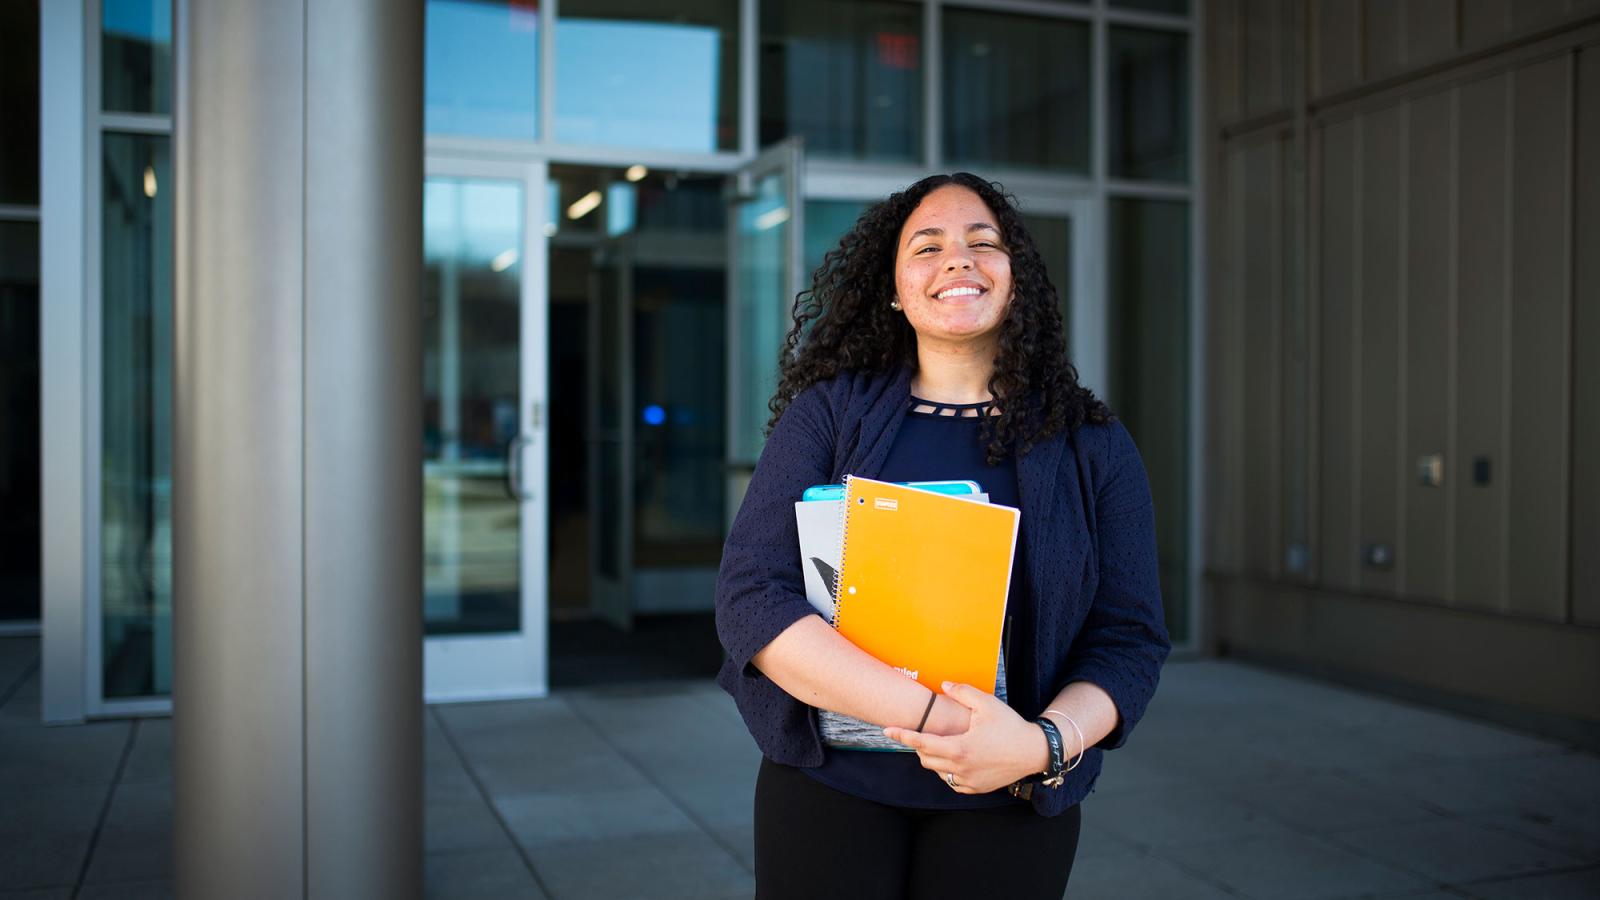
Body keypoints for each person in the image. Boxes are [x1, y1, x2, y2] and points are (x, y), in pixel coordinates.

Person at [714, 172, 1170, 899]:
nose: (957, 260)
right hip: (830, 791)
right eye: (927, 247)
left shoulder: (1092, 444)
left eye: (982, 243)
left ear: (1014, 279)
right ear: (895, 289)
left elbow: (1130, 639)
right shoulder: (827, 417)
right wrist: (936, 720)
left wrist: (1038, 744)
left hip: (1012, 797)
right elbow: (751, 600)